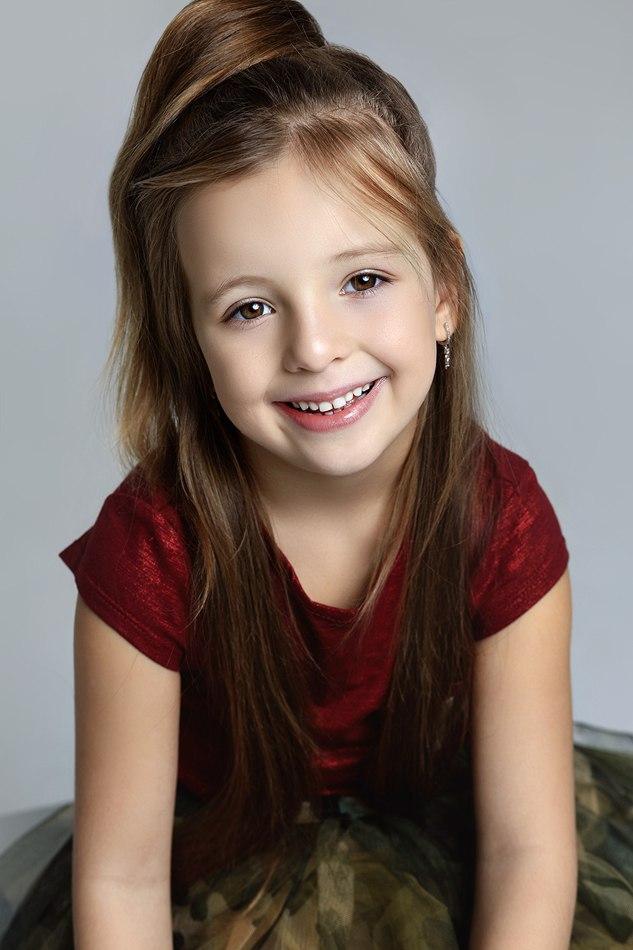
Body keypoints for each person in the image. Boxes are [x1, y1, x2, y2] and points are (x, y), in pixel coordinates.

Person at [6, 1, 632, 947]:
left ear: (444, 292)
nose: (313, 347)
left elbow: (525, 853)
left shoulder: (498, 521)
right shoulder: (151, 553)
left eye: (362, 281)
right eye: (249, 308)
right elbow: (122, 878)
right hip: (218, 867)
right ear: (191, 342)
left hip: (458, 840)